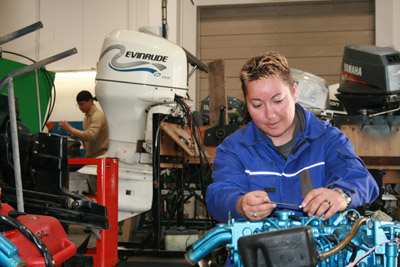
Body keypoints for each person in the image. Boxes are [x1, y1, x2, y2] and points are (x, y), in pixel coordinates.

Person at [206, 52, 379, 223]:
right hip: (258, 249)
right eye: (257, 105)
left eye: (278, 101)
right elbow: (219, 195)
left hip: (321, 248)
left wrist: (340, 195)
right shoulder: (235, 148)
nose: (270, 114)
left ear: (294, 92)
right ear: (246, 102)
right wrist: (240, 204)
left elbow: (362, 179)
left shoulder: (327, 139)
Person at [59, 90, 109, 158]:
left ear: (90, 101)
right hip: (91, 157)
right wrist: (75, 133)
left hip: (100, 158)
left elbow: (90, 136)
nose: (80, 107)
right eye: (78, 105)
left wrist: (70, 129)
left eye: (82, 104)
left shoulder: (98, 116)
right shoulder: (87, 117)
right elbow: (86, 137)